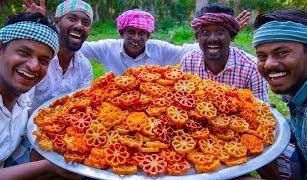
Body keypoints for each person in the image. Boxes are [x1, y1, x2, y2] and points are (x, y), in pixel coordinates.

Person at [24, 0, 251, 76]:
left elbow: (190, 49)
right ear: (121, 33)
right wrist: (46, 25)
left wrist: (226, 34)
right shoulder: (106, 48)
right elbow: (74, 45)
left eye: (141, 33)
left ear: (148, 35)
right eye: (130, 32)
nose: (136, 38)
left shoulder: (160, 50)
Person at [0, 11, 77, 179]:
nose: (33, 66)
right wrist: (50, 167)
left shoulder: (22, 90)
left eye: (43, 60)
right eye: (24, 53)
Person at [252, 8, 307, 179]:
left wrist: (271, 174)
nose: (269, 64)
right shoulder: (298, 94)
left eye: (282, 53)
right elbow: (296, 131)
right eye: (262, 56)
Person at [180, 4, 268, 102]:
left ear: (231, 35)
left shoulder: (251, 69)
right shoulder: (188, 62)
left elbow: (263, 110)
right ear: (197, 37)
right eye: (205, 32)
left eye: (220, 32)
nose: (212, 39)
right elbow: (183, 99)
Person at [27, 0, 93, 112]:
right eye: (72, 19)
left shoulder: (85, 67)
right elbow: (22, 104)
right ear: (57, 21)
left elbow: (82, 105)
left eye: (86, 23)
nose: (79, 26)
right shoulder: (37, 61)